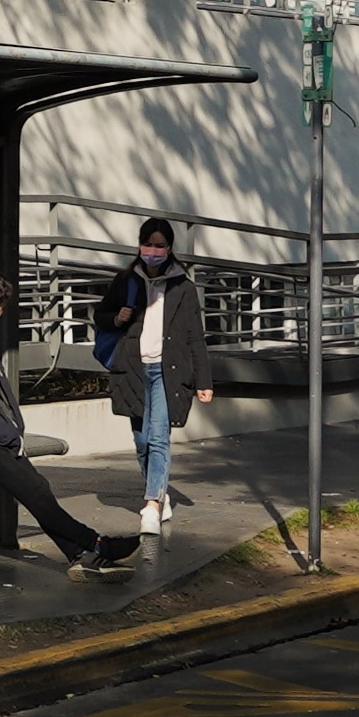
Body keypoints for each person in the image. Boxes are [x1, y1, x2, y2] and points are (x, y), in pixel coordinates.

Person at [0, 266, 142, 575]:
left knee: (36, 488)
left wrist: (8, 427)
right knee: (34, 490)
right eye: (2, 303)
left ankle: (79, 553)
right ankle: (96, 545)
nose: (4, 309)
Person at [97, 216, 213, 535]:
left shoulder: (183, 287)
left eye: (160, 245)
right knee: (142, 440)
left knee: (159, 435)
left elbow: (195, 337)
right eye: (148, 244)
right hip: (132, 369)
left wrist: (204, 381)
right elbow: (100, 316)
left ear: (169, 248)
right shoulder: (125, 281)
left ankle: (152, 504)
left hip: (168, 371)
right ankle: (160, 491)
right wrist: (117, 318)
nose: (153, 250)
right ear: (139, 245)